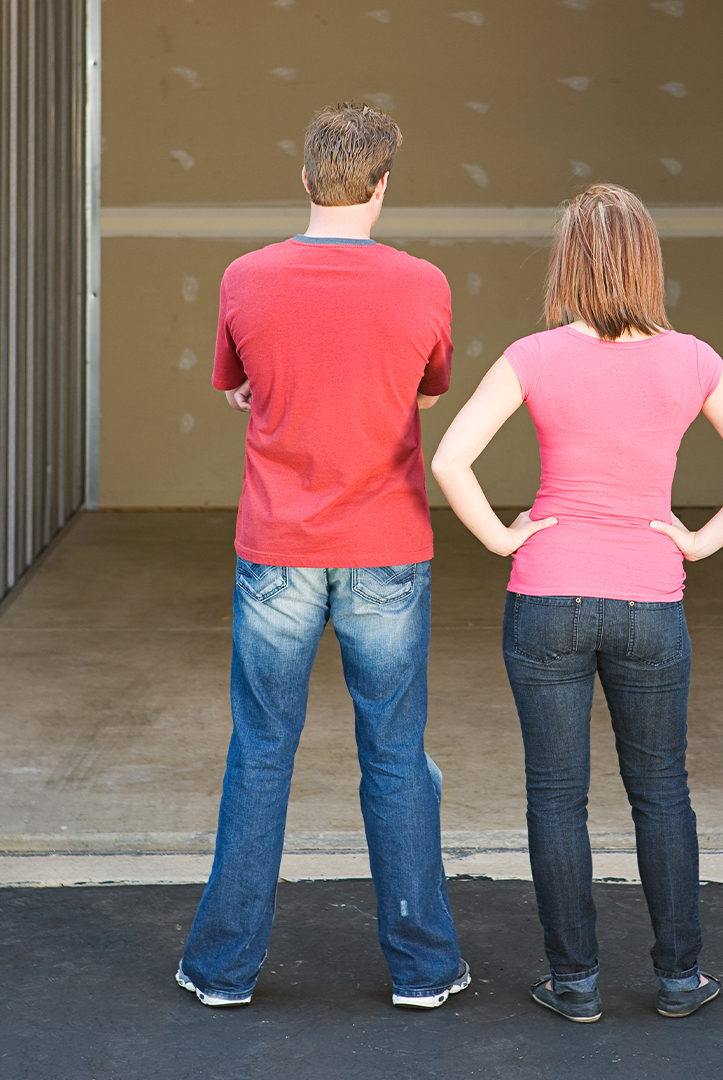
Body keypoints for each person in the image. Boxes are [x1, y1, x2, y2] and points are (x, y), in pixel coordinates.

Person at [432, 183, 723, 1023]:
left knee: (556, 797)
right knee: (661, 791)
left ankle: (576, 984)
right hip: (649, 602)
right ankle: (678, 979)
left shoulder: (534, 354)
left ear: (570, 261)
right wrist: (698, 541)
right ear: (646, 261)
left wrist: (500, 535)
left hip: (547, 592)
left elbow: (451, 459)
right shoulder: (692, 358)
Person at [177, 103, 468, 1010]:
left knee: (261, 749)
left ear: (306, 180)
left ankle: (223, 969)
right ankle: (423, 969)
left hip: (278, 551)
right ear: (384, 186)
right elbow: (424, 391)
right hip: (387, 549)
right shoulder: (424, 283)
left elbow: (238, 387)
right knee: (395, 755)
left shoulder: (245, 277)